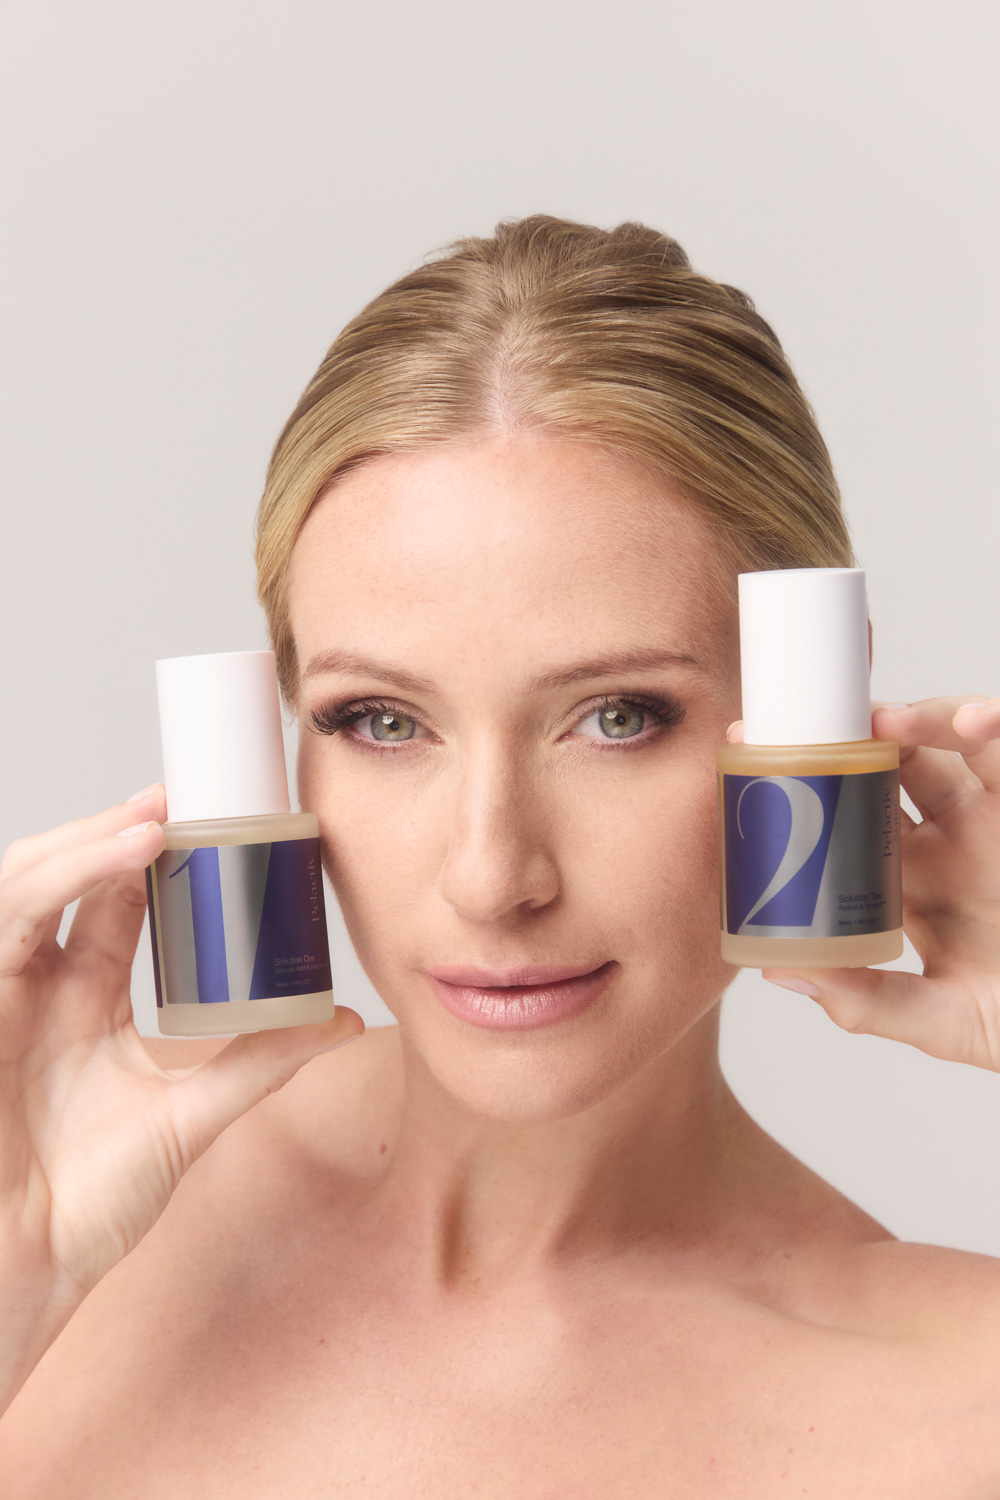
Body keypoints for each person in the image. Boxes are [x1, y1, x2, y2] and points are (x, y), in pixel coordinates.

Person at [1, 215, 998, 1495]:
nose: (490, 877)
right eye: (381, 722)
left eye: (618, 717)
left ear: (811, 716)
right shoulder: (80, 1211)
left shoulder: (948, 1409)